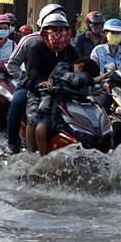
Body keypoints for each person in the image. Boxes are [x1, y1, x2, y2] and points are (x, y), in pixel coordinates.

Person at [3, 3, 67, 157]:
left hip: (59, 86)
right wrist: (29, 80)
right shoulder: (29, 41)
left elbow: (75, 64)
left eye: (61, 25)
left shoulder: (67, 42)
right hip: (31, 85)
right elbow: (12, 64)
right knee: (17, 103)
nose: (58, 31)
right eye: (53, 26)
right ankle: (12, 144)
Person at [23, 13, 79, 155]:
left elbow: (79, 66)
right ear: (44, 31)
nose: (59, 34)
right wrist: (41, 82)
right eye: (54, 30)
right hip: (39, 91)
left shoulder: (69, 50)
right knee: (32, 118)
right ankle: (31, 154)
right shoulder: (38, 48)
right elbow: (32, 69)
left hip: (63, 92)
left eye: (62, 30)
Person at [35, 56, 100, 155]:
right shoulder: (61, 68)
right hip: (51, 109)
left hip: (74, 109)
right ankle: (43, 159)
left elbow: (90, 87)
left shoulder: (83, 80)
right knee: (40, 130)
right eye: (85, 77)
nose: (85, 81)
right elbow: (74, 80)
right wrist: (93, 80)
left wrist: (102, 86)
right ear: (80, 66)